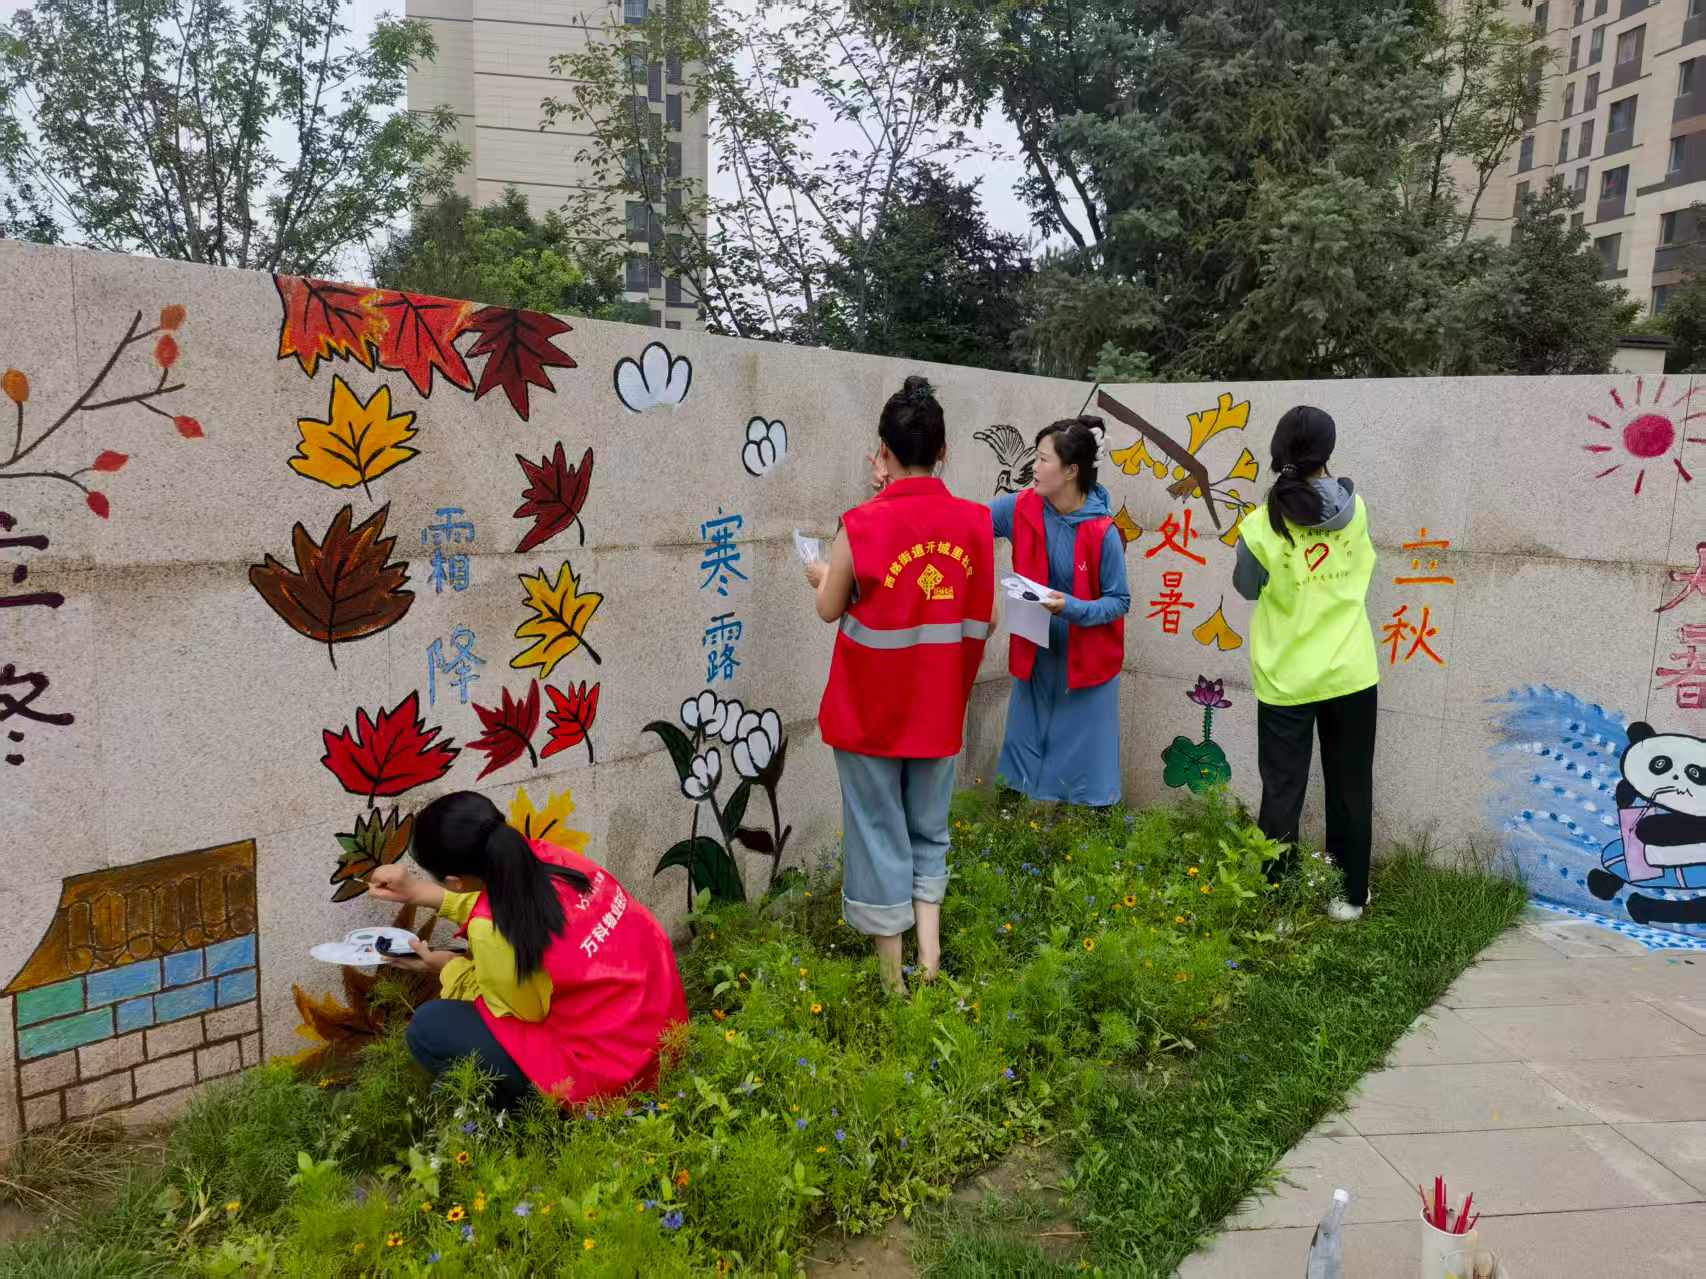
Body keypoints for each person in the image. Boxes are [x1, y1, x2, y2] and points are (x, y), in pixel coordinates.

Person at [806, 375, 995, 994]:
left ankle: (894, 982)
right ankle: (931, 960)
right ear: (944, 452)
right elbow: (986, 613)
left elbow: (830, 609)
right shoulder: (973, 524)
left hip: (868, 714)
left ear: (881, 454)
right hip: (939, 711)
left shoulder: (859, 523)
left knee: (877, 831)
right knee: (929, 830)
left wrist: (821, 572)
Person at [367, 791, 688, 1108]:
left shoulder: (491, 933)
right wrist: (418, 893)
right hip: (663, 1033)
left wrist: (447, 966)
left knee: (429, 1028)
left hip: (622, 1079)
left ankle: (528, 1119)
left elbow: (521, 1013)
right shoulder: (551, 856)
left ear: (455, 882)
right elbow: (512, 902)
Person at [1232, 405, 1379, 922]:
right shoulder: (1355, 510)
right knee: (1351, 784)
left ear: (1279, 450)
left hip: (1287, 676)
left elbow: (1247, 588)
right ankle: (1350, 896)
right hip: (1352, 672)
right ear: (1328, 451)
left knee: (1283, 791)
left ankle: (1278, 903)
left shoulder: (1259, 524)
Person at [990, 417, 1130, 807]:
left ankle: (1089, 848)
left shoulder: (1103, 530)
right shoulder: (1020, 507)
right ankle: (1003, 835)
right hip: (1036, 652)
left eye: (1042, 459)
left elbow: (1120, 601)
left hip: (1087, 663)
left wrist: (1072, 608)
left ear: (1071, 471)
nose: (1033, 468)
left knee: (1087, 765)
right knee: (1021, 743)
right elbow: (968, 525)